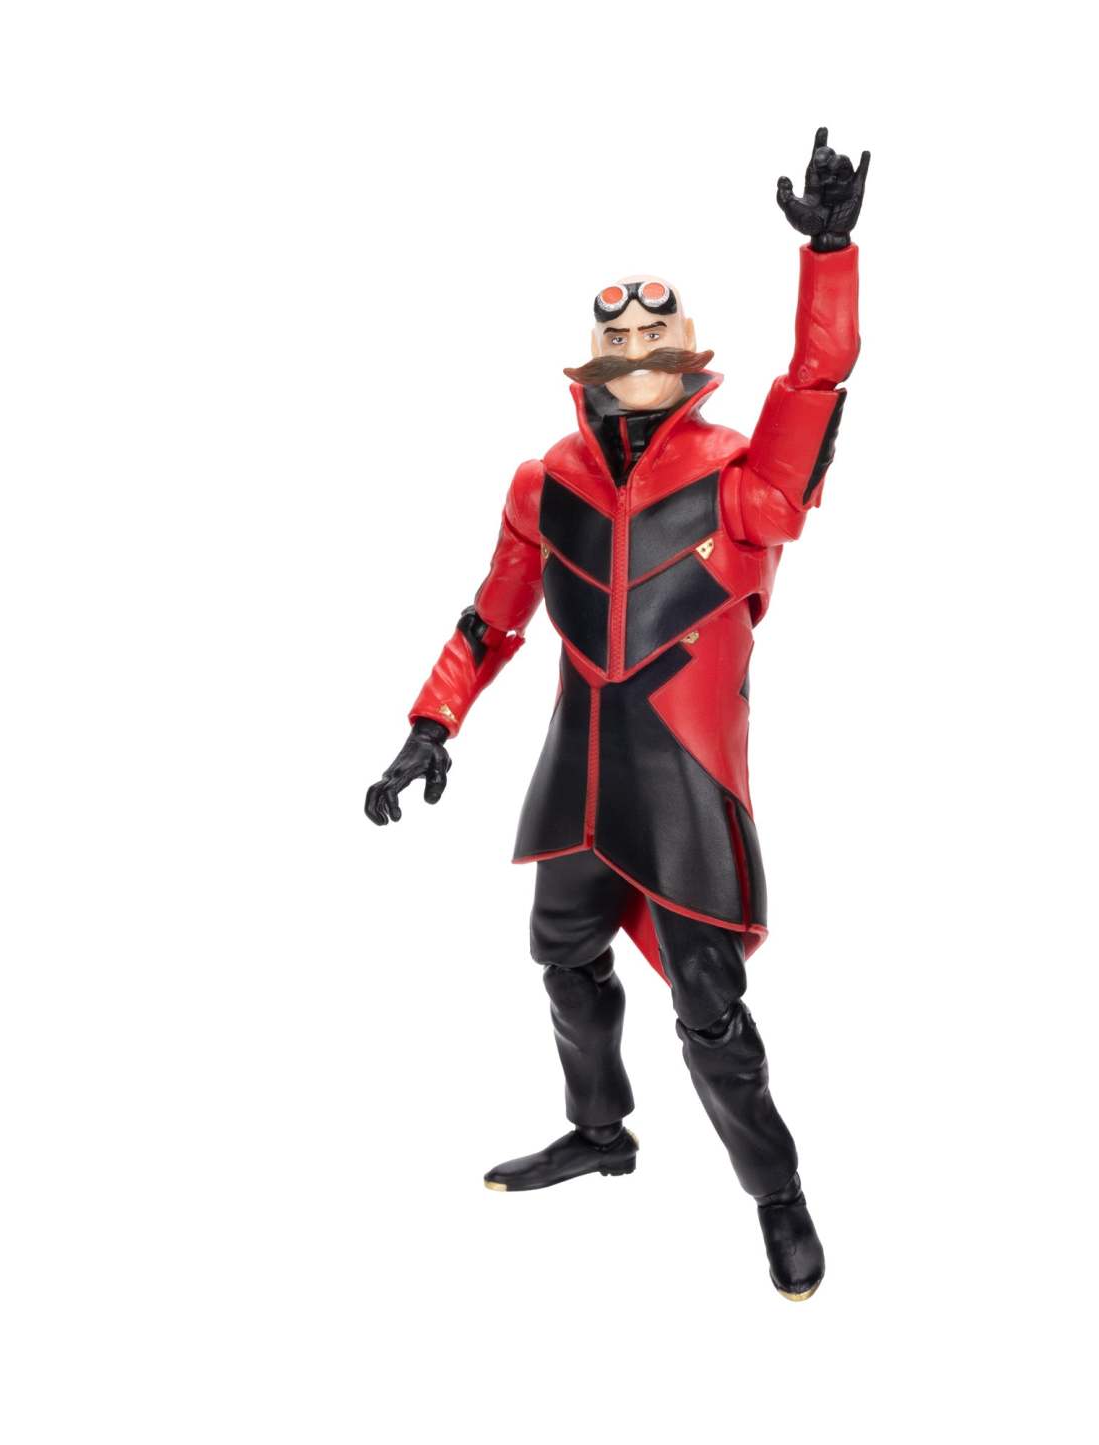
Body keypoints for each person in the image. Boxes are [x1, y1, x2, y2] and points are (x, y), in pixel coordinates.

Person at [366, 128, 868, 1300]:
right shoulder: (543, 481)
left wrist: (828, 257)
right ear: (590, 361)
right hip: (579, 770)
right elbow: (492, 615)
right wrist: (430, 726)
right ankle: (600, 1128)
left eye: (655, 333)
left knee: (709, 1007)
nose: (637, 347)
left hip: (684, 778)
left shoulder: (741, 479)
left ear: (689, 350)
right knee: (561, 954)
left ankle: (777, 1195)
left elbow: (815, 386)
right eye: (617, 338)